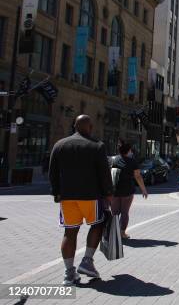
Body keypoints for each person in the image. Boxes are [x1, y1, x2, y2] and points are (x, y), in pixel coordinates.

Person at [49, 115, 113, 286]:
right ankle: (87, 261)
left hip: (67, 197)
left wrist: (56, 192)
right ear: (90, 127)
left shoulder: (60, 145)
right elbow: (104, 173)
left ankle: (69, 273)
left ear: (74, 126)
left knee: (69, 232)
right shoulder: (97, 146)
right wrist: (108, 193)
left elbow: (52, 172)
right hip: (91, 196)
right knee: (97, 224)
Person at [109, 142, 148, 239]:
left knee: (114, 213)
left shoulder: (112, 159)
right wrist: (144, 190)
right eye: (130, 150)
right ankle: (122, 233)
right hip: (127, 190)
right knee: (124, 212)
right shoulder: (132, 161)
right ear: (128, 150)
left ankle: (113, 232)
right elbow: (138, 176)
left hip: (114, 190)